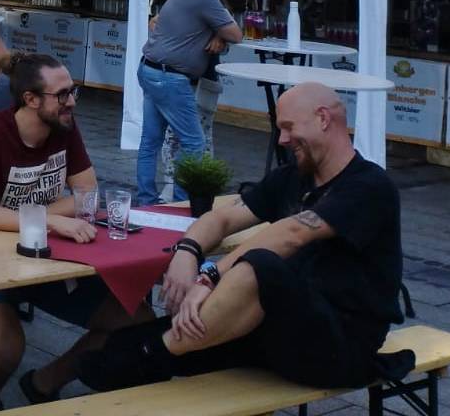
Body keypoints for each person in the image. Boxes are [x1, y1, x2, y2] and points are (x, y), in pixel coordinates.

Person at [80, 84, 411, 396]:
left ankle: (156, 352)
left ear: (323, 119)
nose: (281, 139)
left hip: (340, 346)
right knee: (119, 345)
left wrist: (209, 277)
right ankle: (129, 359)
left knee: (261, 264)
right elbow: (221, 217)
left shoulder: (369, 187)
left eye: (288, 127)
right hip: (279, 330)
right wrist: (186, 251)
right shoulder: (291, 177)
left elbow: (291, 235)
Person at [0, 54, 139, 408]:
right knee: (6, 347)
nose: (71, 101)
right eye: (62, 95)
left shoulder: (65, 126)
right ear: (31, 99)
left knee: (134, 319)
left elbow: (88, 195)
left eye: (73, 92)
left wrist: (36, 219)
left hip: (46, 257)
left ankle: (44, 382)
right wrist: (51, 218)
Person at [136, 0, 243, 205]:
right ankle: (182, 203)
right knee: (194, 143)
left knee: (150, 141)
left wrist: (217, 34)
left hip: (150, 68)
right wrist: (220, 33)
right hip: (170, 77)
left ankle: (146, 200)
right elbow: (237, 35)